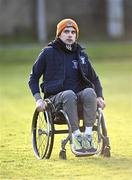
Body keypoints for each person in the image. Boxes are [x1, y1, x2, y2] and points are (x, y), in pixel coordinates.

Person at [28, 18, 105, 155]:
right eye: (66, 32)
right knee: (69, 94)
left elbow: (95, 78)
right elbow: (33, 78)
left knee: (89, 92)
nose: (70, 35)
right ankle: (76, 137)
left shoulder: (81, 54)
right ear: (59, 34)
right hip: (55, 101)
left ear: (76, 35)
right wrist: (38, 99)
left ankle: (87, 136)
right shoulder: (47, 53)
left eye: (73, 32)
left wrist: (100, 96)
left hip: (79, 100)